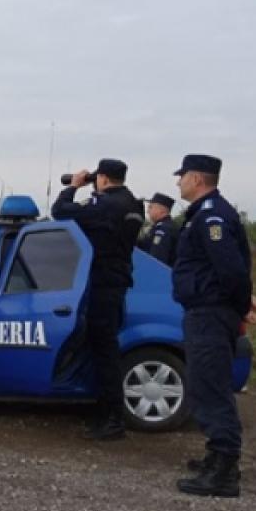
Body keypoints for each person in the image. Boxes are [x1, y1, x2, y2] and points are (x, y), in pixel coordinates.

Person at [170, 154, 256, 497]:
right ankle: (216, 456)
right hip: (206, 311)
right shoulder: (205, 214)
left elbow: (232, 270)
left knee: (211, 387)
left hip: (210, 313)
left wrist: (240, 305)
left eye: (182, 176)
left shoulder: (212, 216)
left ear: (196, 179)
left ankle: (224, 471)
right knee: (203, 385)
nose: (178, 182)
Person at [51, 158, 144, 440]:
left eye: (97, 178)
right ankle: (105, 412)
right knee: (104, 350)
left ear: (102, 178)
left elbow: (59, 211)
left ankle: (113, 419)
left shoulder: (105, 205)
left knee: (105, 353)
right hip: (116, 281)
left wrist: (73, 186)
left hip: (103, 284)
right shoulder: (133, 204)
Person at [137, 192, 179, 266]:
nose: (147, 211)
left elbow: (156, 259)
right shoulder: (158, 227)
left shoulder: (164, 229)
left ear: (161, 210)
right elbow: (144, 246)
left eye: (151, 207)